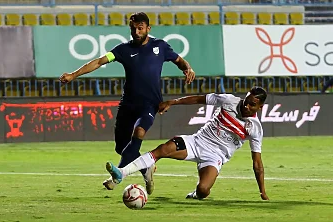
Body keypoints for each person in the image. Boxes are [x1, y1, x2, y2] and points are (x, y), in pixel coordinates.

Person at [59, 12, 195, 195]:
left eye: (140, 28)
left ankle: (117, 177)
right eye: (133, 28)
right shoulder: (123, 50)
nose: (136, 32)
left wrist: (188, 68)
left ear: (148, 28)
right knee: (121, 147)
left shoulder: (160, 46)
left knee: (138, 133)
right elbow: (100, 61)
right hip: (127, 105)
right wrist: (74, 74)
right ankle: (146, 168)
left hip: (150, 103)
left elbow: (179, 60)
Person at [105, 87, 270, 200]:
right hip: (197, 141)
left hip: (215, 156)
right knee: (163, 149)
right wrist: (173, 102)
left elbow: (257, 163)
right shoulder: (229, 101)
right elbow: (199, 99)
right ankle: (122, 172)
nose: (246, 105)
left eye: (252, 104)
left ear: (260, 107)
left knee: (204, 190)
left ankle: (195, 195)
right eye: (246, 100)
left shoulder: (254, 128)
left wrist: (262, 190)